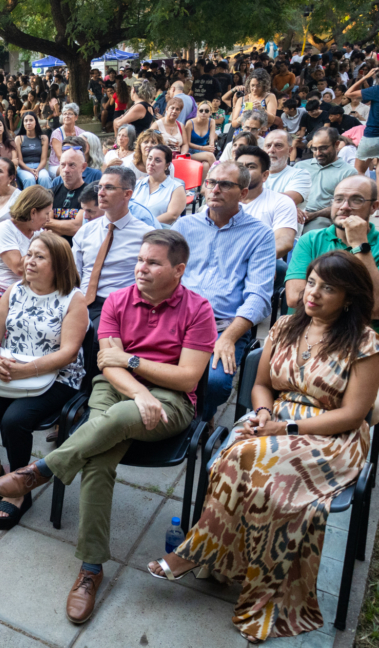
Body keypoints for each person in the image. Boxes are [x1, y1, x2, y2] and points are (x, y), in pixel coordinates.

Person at [151, 251, 379, 644]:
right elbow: (261, 385)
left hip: (331, 436)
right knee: (234, 458)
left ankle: (231, 573)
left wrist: (285, 427)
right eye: (311, 282)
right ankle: (216, 558)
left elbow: (353, 415)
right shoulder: (286, 325)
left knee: (265, 480)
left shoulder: (365, 342)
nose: (313, 293)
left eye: (328, 288)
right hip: (273, 418)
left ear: (349, 298)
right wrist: (261, 413)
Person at [0, 229, 216, 624]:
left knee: (114, 423)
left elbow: (186, 377)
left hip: (172, 400)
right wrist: (139, 391)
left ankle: (43, 469)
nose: (141, 268)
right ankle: (91, 568)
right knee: (97, 462)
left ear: (178, 270)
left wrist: (131, 362)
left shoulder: (198, 310)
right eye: (140, 259)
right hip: (116, 389)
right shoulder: (117, 300)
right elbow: (105, 365)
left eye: (153, 263)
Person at [0, 232, 87, 528]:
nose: (29, 261)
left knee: (14, 420)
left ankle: (19, 488)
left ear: (58, 264)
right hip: (12, 369)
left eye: (39, 257)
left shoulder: (73, 299)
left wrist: (26, 370)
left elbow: (69, 353)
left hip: (58, 376)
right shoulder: (15, 290)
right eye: (29, 254)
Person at [172, 162, 275, 423]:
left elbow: (259, 297)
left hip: (221, 325)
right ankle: (170, 414)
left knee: (215, 382)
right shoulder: (184, 226)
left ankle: (200, 421)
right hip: (174, 318)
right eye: (211, 182)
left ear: (243, 193)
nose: (215, 189)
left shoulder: (260, 235)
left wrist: (228, 338)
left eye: (225, 184)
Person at [286, 176, 379, 330]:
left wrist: (360, 244)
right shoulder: (310, 240)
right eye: (338, 199)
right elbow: (294, 297)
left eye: (356, 200)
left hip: (362, 336)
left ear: (374, 207)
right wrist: (353, 301)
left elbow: (376, 308)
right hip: (307, 331)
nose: (344, 207)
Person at [75, 166, 150, 329]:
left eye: (109, 188)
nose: (101, 193)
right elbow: (73, 274)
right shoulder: (85, 231)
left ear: (127, 194)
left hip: (119, 305)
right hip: (80, 301)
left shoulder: (145, 236)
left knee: (93, 333)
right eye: (100, 187)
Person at [0, 186, 53, 324]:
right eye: (46, 213)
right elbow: (19, 268)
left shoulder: (38, 235)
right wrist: (42, 243)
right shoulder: (4, 229)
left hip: (22, 293)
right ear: (33, 212)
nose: (48, 219)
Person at [235, 146, 298, 287]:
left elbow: (284, 241)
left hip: (259, 263)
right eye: (239, 167)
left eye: (251, 167)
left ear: (265, 175)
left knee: (279, 267)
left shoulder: (281, 202)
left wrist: (249, 260)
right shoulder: (221, 199)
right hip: (222, 259)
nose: (243, 171)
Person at [295, 127, 358, 232]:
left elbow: (344, 206)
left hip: (321, 218)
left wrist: (314, 215)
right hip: (295, 213)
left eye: (323, 148)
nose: (318, 153)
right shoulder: (300, 166)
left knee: (313, 235)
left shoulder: (348, 172)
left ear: (336, 145)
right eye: (314, 149)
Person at [131, 144, 186, 227]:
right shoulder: (137, 184)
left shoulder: (176, 188)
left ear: (167, 165)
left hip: (161, 231)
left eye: (157, 161)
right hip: (135, 229)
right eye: (150, 159)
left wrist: (144, 226)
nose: (151, 163)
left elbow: (172, 215)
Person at [263, 130, 312, 219]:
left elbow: (285, 201)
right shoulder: (253, 174)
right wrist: (285, 205)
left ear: (290, 151)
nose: (271, 150)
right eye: (268, 146)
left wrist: (252, 199)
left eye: (278, 145)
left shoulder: (300, 174)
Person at [47, 149, 90, 243]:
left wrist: (51, 224)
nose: (66, 170)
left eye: (72, 165)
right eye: (63, 165)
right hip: (53, 247)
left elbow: (76, 227)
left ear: (83, 167)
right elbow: (43, 224)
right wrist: (66, 227)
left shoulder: (90, 194)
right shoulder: (51, 193)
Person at [345, 67, 379, 174]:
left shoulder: (376, 90)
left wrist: (365, 77)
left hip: (372, 136)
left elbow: (348, 93)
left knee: (358, 172)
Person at [48, 104, 85, 176]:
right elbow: (60, 157)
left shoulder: (81, 133)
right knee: (68, 171)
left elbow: (85, 152)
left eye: (70, 114)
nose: (67, 116)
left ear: (76, 117)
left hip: (76, 164)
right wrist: (74, 166)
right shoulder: (56, 133)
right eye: (64, 114)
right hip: (57, 165)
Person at [184, 100, 217, 176]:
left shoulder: (212, 122)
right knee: (209, 156)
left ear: (210, 113)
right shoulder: (190, 123)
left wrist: (211, 147)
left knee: (206, 165)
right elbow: (187, 143)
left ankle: (204, 184)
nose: (203, 113)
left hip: (203, 151)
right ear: (197, 111)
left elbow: (212, 140)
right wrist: (203, 148)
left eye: (206, 111)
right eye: (201, 110)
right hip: (190, 152)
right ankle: (219, 176)